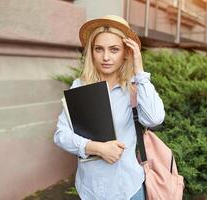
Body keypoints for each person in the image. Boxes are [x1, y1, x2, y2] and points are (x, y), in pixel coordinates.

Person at [54, 15, 165, 200]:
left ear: (126, 53)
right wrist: (96, 148)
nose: (106, 57)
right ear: (92, 52)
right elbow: (61, 135)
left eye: (114, 50)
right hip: (90, 189)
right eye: (99, 49)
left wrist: (139, 70)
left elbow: (154, 118)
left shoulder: (135, 87)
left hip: (128, 188)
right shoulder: (80, 86)